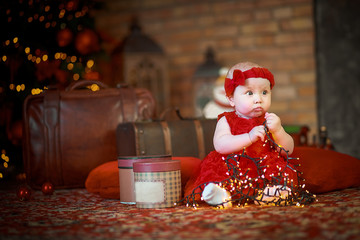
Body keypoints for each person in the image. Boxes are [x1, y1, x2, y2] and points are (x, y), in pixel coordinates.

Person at [183, 62, 299, 207]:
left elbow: (287, 151)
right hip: (233, 166)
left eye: (264, 92)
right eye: (249, 93)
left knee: (283, 174)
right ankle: (221, 195)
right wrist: (249, 137)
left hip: (263, 167)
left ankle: (270, 194)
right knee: (219, 177)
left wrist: (278, 131)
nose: (258, 99)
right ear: (231, 99)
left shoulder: (270, 121)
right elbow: (220, 145)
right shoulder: (226, 120)